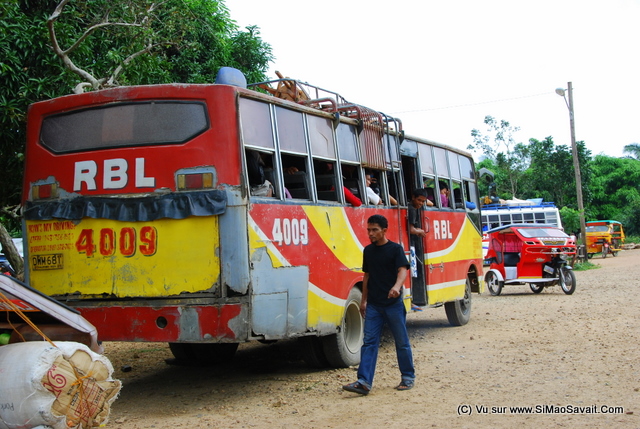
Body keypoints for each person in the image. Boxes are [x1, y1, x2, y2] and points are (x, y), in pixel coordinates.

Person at [342, 214, 415, 395]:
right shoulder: (368, 251)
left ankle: (407, 377)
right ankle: (364, 381)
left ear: (384, 230)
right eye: (368, 230)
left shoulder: (395, 249)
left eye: (374, 230)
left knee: (402, 342)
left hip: (393, 305)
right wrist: (363, 301)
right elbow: (366, 277)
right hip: (374, 305)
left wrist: (397, 287)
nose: (371, 233)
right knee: (369, 343)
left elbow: (402, 270)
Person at [408, 188, 429, 309]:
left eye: (423, 201)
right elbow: (411, 229)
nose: (420, 203)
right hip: (410, 245)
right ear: (413, 197)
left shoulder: (412, 207)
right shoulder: (412, 209)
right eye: (419, 200)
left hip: (411, 244)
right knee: (412, 271)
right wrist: (419, 231)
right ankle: (411, 300)